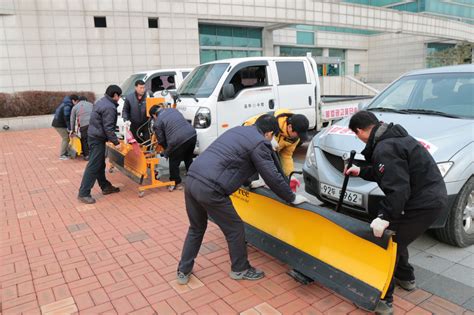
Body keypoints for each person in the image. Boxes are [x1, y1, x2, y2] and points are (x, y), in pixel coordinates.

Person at [176, 114, 309, 285]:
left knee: (196, 228)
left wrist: (249, 181)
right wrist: (291, 197)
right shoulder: (260, 143)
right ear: (268, 133)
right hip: (211, 189)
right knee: (235, 229)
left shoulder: (239, 130)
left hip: (192, 179)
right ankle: (240, 269)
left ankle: (183, 270)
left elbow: (232, 161)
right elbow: (272, 177)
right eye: (273, 136)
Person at [345, 111, 446, 315]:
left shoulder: (385, 147)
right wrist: (361, 171)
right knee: (397, 239)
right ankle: (405, 277)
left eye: (357, 135)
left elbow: (398, 189)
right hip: (428, 198)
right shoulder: (393, 137)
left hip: (422, 203)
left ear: (359, 131)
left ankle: (382, 300)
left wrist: (384, 217)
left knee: (386, 246)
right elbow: (389, 172)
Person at [77, 85, 123, 204]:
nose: (119, 98)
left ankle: (105, 186)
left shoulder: (101, 101)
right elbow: (108, 127)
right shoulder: (109, 107)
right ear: (115, 95)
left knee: (99, 164)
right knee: (93, 165)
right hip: (97, 138)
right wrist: (116, 142)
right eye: (119, 96)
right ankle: (84, 193)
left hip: (93, 136)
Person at [244, 109, 309, 177]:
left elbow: (286, 155)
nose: (298, 137)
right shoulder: (272, 120)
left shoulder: (294, 138)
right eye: (297, 134)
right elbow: (249, 127)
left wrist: (290, 175)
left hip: (267, 153)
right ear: (290, 127)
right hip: (249, 143)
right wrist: (266, 139)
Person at [149, 105, 197, 191]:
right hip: (192, 135)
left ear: (154, 115)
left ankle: (175, 183)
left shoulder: (157, 122)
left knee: (174, 161)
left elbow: (161, 140)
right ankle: (194, 180)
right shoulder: (173, 110)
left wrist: (167, 151)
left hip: (177, 140)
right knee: (188, 158)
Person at [52, 94, 79, 160]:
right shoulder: (67, 106)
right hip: (59, 124)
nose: (77, 104)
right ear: (73, 100)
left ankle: (67, 152)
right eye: (77, 102)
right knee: (66, 138)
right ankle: (62, 155)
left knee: (67, 137)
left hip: (60, 123)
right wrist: (70, 129)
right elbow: (67, 117)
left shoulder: (67, 104)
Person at [70, 96, 93, 160]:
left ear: (79, 101)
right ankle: (94, 154)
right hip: (93, 125)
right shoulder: (91, 104)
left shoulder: (75, 107)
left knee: (84, 140)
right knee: (93, 139)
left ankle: (87, 156)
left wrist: (72, 130)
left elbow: (72, 120)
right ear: (86, 100)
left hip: (83, 126)